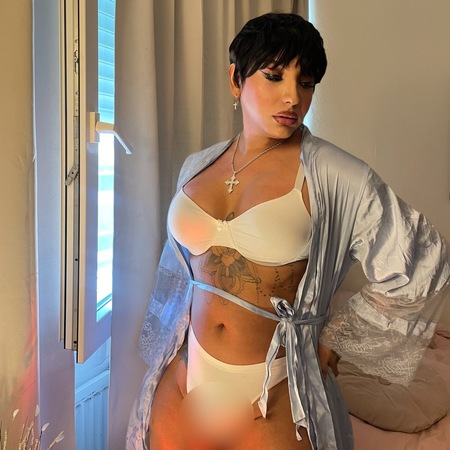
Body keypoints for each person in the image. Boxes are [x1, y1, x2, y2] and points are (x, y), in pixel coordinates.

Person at [127, 13, 450, 450]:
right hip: (185, 381)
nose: (293, 97)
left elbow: (423, 262)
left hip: (272, 395)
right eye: (275, 76)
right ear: (236, 80)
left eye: (307, 82)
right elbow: (181, 271)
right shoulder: (197, 166)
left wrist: (337, 340)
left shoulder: (335, 175)